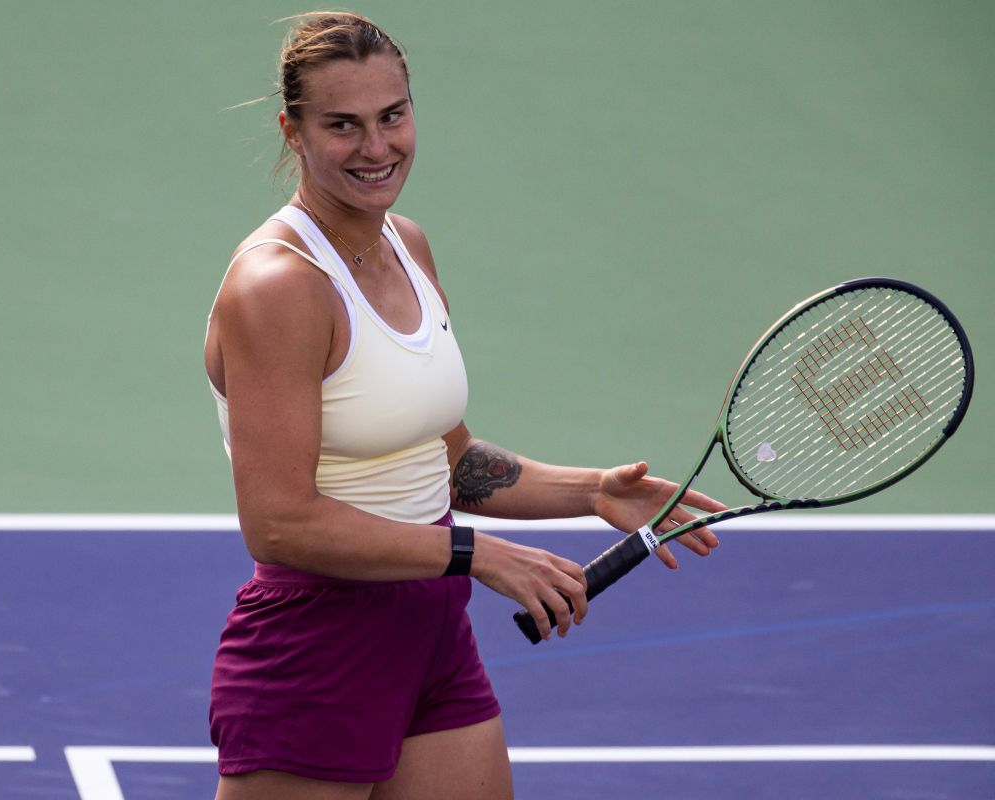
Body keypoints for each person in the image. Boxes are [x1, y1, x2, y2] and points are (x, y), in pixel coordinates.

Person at [203, 12, 725, 799]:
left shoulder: (407, 246)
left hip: (431, 633)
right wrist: (474, 554)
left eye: (392, 116)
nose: (376, 147)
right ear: (293, 131)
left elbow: (450, 462)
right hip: (319, 644)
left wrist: (589, 492)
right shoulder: (279, 287)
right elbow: (279, 523)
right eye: (343, 125)